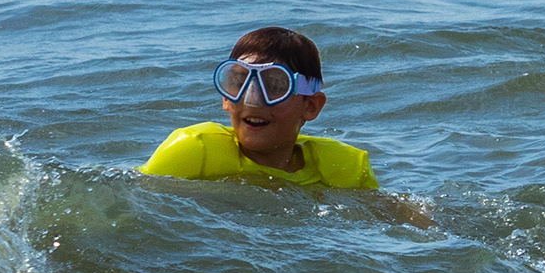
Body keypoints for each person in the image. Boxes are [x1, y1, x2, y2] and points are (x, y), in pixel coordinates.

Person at [141, 28, 376, 191]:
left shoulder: (346, 168)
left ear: (311, 106)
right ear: (225, 98)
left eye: (275, 85)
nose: (252, 100)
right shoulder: (194, 149)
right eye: (239, 83)